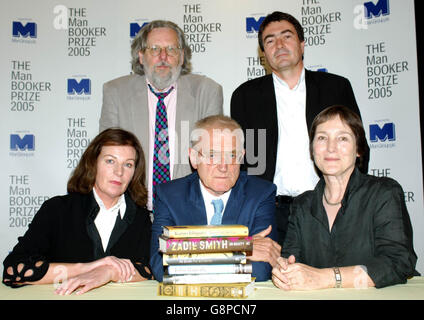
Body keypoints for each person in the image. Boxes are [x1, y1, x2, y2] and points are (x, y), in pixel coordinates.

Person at [231, 11, 369, 247]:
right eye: (270, 40)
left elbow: (358, 148)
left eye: (287, 37)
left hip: (328, 205)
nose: (280, 45)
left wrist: (350, 200)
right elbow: (242, 161)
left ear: (302, 44)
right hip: (269, 213)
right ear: (263, 53)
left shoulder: (335, 88)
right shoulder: (245, 96)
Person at [271, 106, 418, 290]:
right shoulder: (301, 205)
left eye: (342, 138)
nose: (331, 148)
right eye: (322, 138)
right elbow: (291, 260)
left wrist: (326, 278)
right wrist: (284, 272)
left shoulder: (383, 192)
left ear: (359, 150)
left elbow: (399, 263)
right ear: (312, 150)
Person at [2, 128, 153, 295]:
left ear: (134, 172)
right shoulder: (57, 210)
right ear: (93, 163)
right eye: (110, 161)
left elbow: (149, 268)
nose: (119, 172)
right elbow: (13, 270)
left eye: (128, 164)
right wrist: (87, 268)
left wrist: (109, 272)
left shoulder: (141, 217)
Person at [100, 20, 223, 212]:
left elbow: (212, 159)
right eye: (154, 49)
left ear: (182, 56)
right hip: (130, 212)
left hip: (188, 212)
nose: (163, 56)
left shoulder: (207, 91)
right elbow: (107, 157)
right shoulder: (115, 92)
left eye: (171, 49)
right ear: (141, 56)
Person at [150, 115, 281, 281]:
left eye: (231, 155)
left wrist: (187, 256)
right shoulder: (170, 196)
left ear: (241, 157)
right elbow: (160, 266)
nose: (223, 166)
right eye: (212, 155)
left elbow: (260, 270)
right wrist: (240, 249)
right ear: (194, 158)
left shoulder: (261, 194)